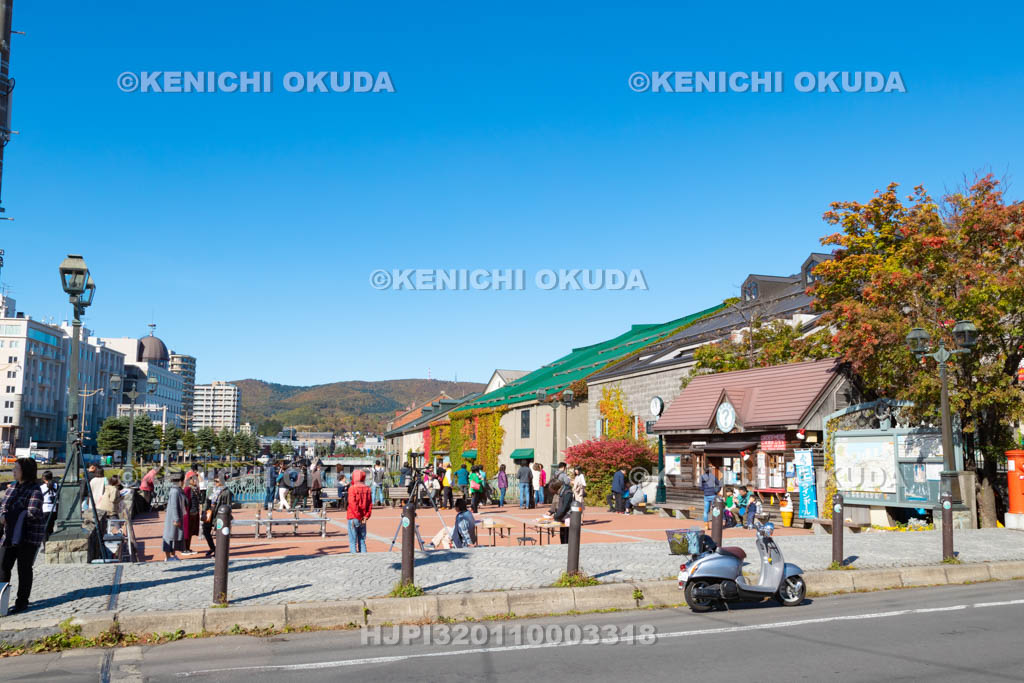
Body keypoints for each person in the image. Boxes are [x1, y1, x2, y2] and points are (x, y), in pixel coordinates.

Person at [0, 458, 45, 615]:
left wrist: (10, 516)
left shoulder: (35, 490)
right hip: (9, 535)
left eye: (16, 468)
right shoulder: (12, 487)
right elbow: (3, 505)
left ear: (25, 471)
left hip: (28, 536)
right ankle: (1, 601)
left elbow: (32, 513)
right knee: (3, 566)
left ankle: (22, 602)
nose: (13, 471)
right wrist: (3, 514)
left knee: (24, 568)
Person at [346, 470, 372, 553]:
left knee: (353, 541)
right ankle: (364, 557)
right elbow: (370, 504)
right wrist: (366, 516)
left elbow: (352, 504)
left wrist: (358, 516)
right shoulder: (367, 488)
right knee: (362, 540)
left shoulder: (352, 488)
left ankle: (354, 557)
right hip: (363, 517)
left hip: (353, 516)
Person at [162, 472, 186, 561]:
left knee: (175, 536)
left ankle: (173, 555)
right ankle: (168, 557)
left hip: (177, 516)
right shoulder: (175, 491)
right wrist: (176, 519)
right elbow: (174, 506)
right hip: (173, 518)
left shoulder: (178, 490)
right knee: (170, 536)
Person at [202, 478, 225, 557]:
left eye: (217, 481)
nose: (215, 483)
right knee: (205, 531)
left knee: (219, 533)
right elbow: (206, 501)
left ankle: (218, 550)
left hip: (219, 515)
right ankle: (213, 548)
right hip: (209, 513)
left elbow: (227, 505)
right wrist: (204, 512)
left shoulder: (225, 491)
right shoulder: (211, 489)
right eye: (214, 481)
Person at [549, 478, 574, 544]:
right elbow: (559, 506)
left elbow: (564, 508)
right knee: (563, 537)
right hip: (563, 518)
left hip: (568, 519)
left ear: (555, 488)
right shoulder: (561, 492)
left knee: (566, 539)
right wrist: (552, 512)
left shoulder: (567, 493)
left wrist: (556, 517)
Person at [699, 466, 720, 530]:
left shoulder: (702, 477)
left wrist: (704, 489)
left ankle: (706, 525)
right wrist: (716, 490)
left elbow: (700, 487)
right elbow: (719, 484)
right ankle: (715, 525)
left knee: (706, 511)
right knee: (715, 510)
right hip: (713, 494)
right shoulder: (713, 476)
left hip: (706, 495)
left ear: (704, 470)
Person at [39, 471, 58, 539]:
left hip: (45, 509)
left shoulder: (41, 487)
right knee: (51, 528)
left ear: (44, 478)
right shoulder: (56, 485)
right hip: (54, 509)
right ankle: (51, 540)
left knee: (45, 529)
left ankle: (46, 543)